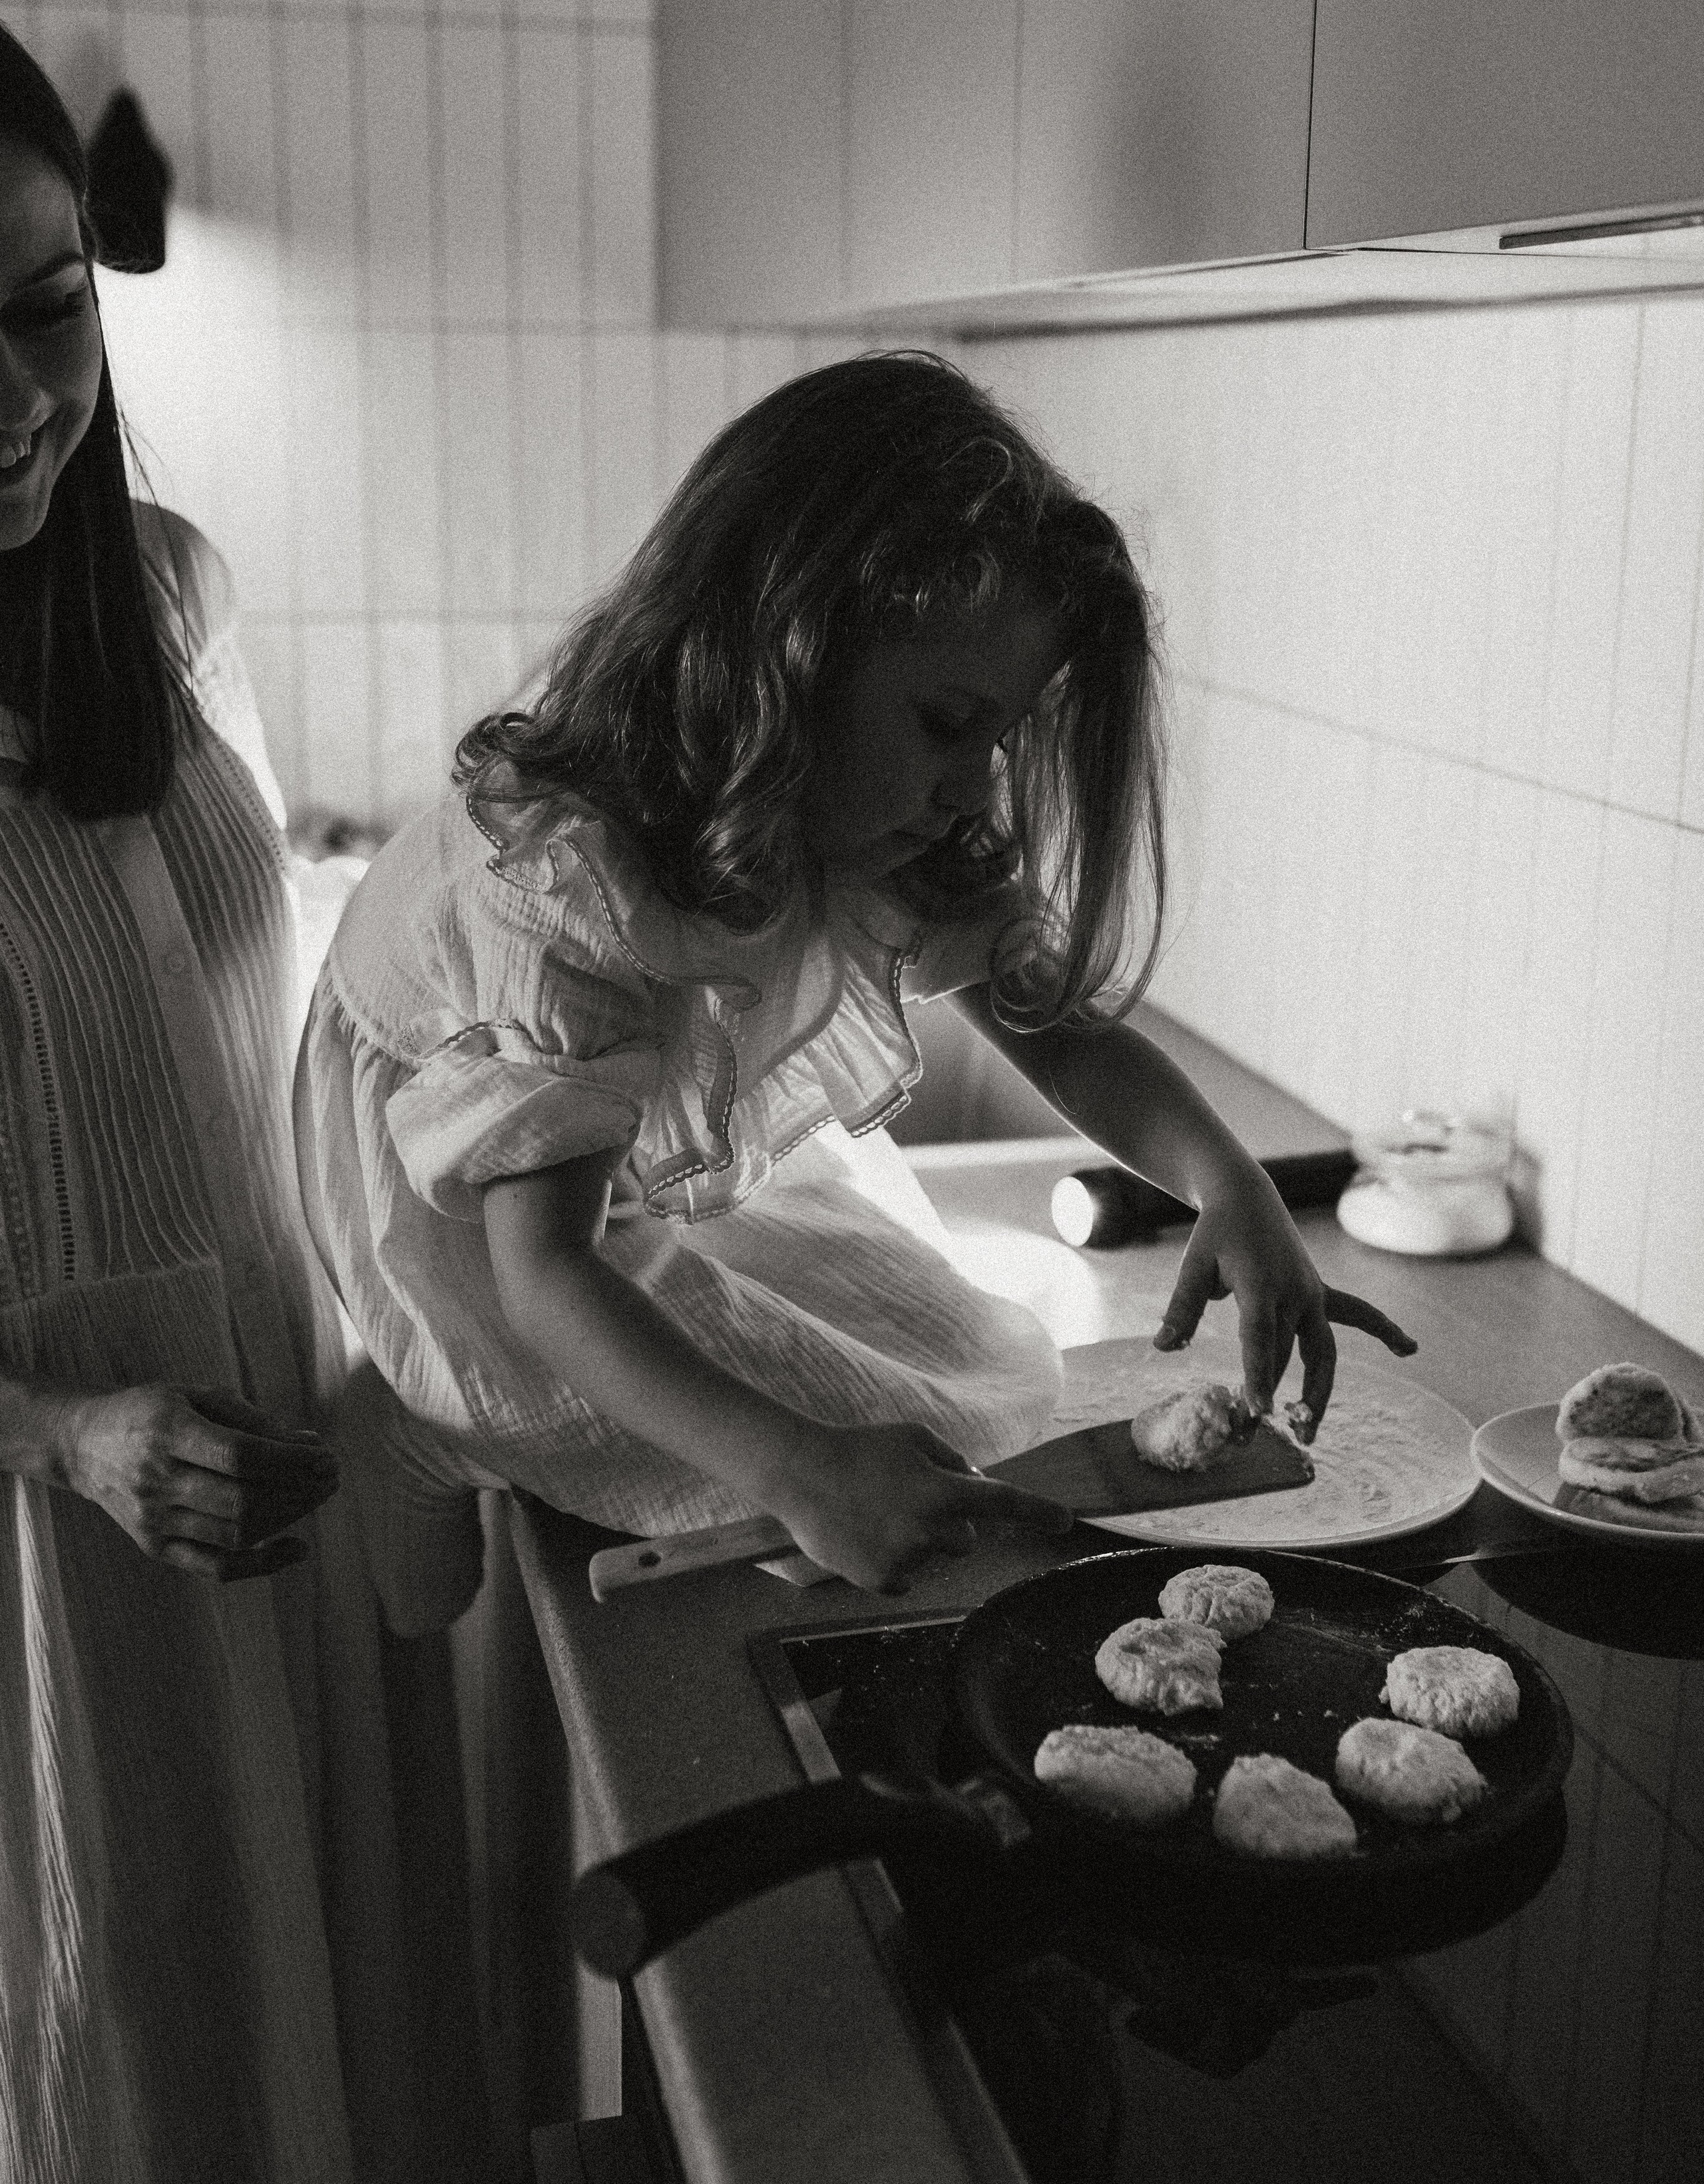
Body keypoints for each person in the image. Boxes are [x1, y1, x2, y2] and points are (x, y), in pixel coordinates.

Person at [300, 353, 1412, 1620]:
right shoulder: (574, 881)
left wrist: (1234, 1184)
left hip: (588, 1154)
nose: (977, 788)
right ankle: (440, 1424)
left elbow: (1059, 1034)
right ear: (790, 657)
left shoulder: (862, 811)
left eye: (1000, 738)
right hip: (455, 1209)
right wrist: (795, 1472)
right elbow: (546, 1277)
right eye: (948, 724)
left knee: (938, 1389)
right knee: (659, 1424)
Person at [0, 25, 475, 2183]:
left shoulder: (169, 589)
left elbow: (274, 998)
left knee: (339, 2042)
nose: (19, 403)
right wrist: (65, 1436)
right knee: (136, 2056)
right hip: (50, 1531)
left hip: (279, 1431)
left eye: (44, 311)